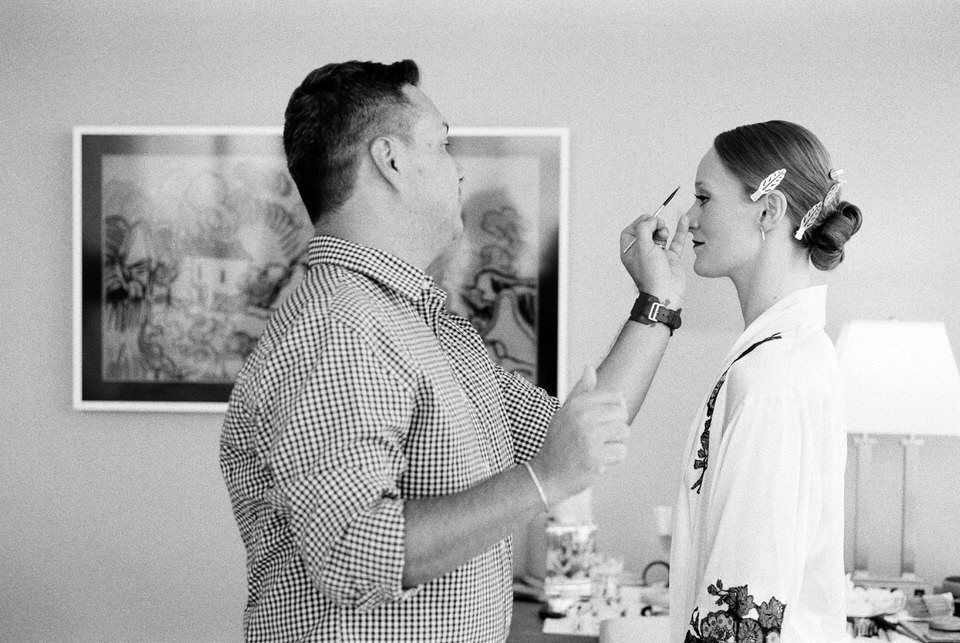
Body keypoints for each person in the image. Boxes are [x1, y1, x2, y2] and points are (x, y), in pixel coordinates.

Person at [219, 59, 690, 642]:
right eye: (443, 145)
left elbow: (576, 428)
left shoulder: (427, 325)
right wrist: (544, 481)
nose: (459, 169)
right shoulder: (339, 326)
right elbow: (353, 551)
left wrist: (658, 302)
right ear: (389, 160)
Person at [669, 121, 863, 642]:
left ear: (768, 210)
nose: (687, 220)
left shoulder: (771, 379)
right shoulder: (791, 355)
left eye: (704, 198)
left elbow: (743, 607)